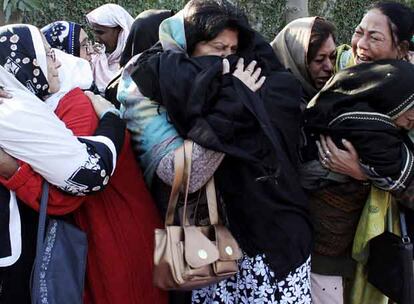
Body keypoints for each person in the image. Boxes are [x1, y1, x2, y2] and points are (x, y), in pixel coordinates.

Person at [119, 0, 312, 303]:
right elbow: (185, 174)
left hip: (267, 242)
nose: (227, 60)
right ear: (188, 46)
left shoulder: (257, 76)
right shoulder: (145, 87)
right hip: (202, 244)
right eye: (217, 49)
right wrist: (235, 105)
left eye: (233, 52)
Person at [0, 24, 167, 304]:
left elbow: (73, 189)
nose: (55, 61)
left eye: (53, 52)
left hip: (112, 234)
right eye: (46, 53)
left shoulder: (72, 105)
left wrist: (12, 170)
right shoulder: (27, 111)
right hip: (96, 236)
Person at [302, 2, 414, 303]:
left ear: (402, 49)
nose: (360, 45)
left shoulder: (409, 97)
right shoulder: (336, 73)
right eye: (358, 32)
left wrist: (364, 172)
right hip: (329, 239)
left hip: (387, 244)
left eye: (375, 38)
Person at [271, 17, 336, 104]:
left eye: (332, 57)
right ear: (297, 61)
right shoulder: (276, 102)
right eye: (319, 60)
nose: (329, 67)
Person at [86, 3, 133, 94]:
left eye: (100, 32)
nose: (96, 39)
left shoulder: (136, 63)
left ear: (121, 31)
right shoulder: (96, 60)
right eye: (95, 33)